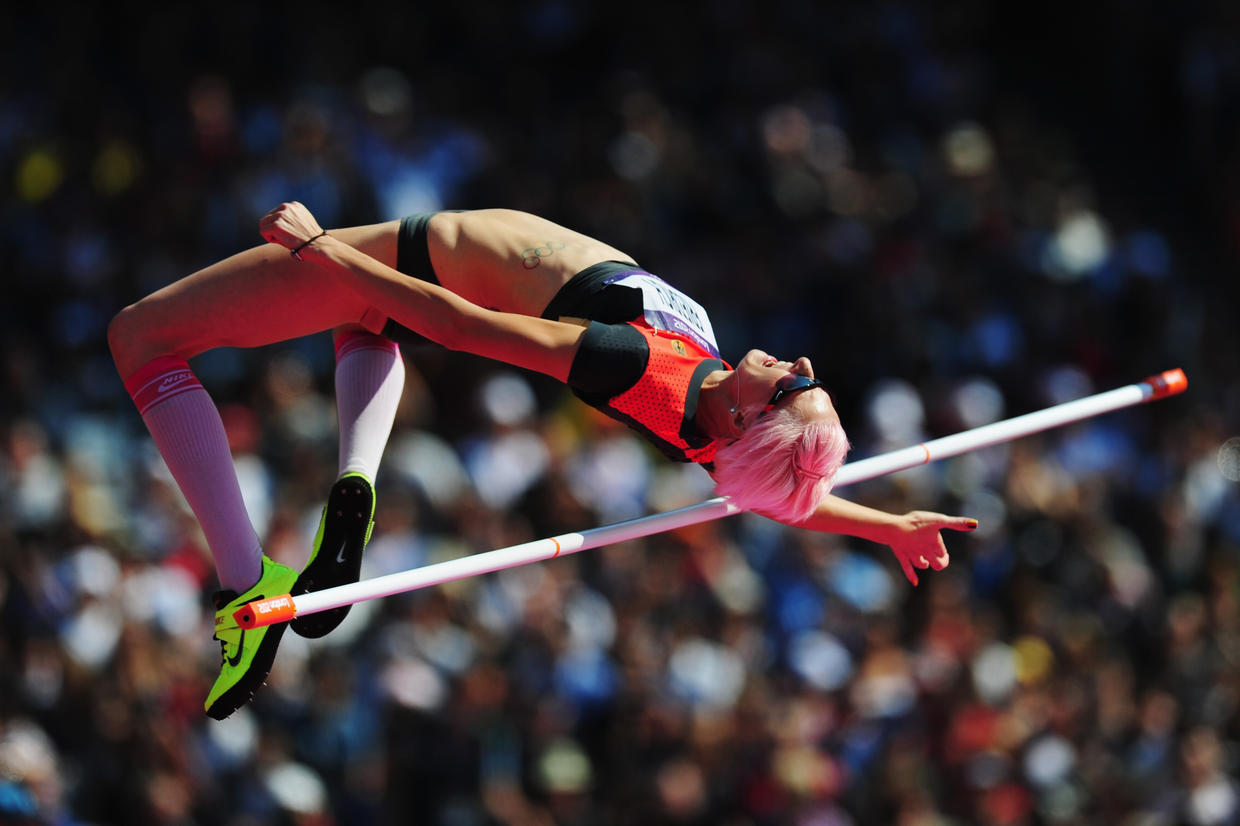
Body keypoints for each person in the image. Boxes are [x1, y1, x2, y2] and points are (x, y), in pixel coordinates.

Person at [108, 202, 976, 720]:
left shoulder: (640, 367)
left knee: (142, 340)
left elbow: (459, 327)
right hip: (420, 270)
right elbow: (780, 497)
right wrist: (885, 526)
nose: (798, 366)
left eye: (794, 388)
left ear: (751, 418)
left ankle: (244, 577)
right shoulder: (714, 431)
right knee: (367, 323)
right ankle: (355, 483)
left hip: (421, 254)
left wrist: (322, 250)